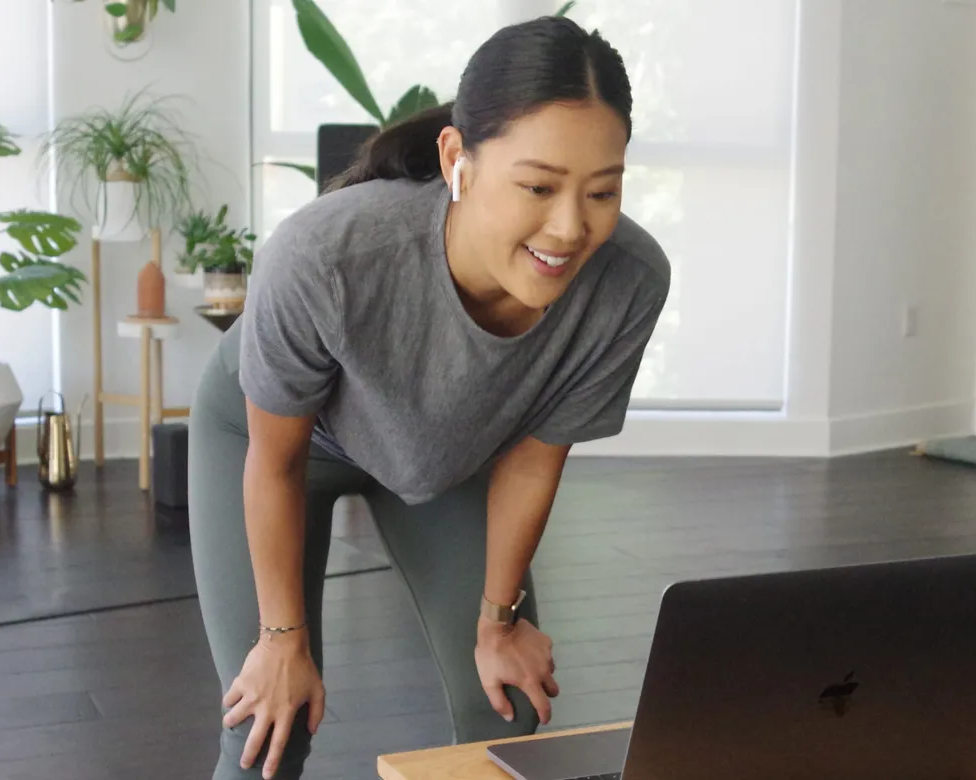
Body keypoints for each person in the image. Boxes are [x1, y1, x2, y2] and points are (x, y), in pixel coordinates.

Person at [186, 15, 666, 780]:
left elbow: (535, 461)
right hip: (280, 447)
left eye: (602, 191)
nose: (571, 228)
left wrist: (498, 622)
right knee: (268, 730)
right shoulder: (326, 259)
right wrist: (283, 642)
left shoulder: (627, 282)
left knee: (505, 712)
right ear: (458, 161)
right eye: (538, 186)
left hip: (445, 452)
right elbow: (272, 464)